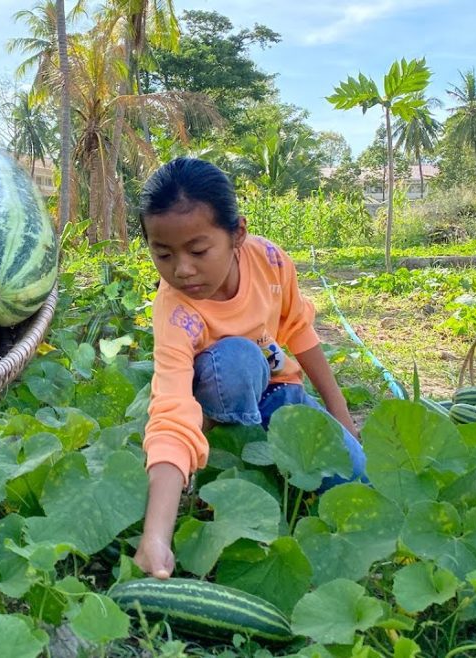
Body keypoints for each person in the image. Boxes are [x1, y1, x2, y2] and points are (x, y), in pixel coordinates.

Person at [132, 157, 367, 579]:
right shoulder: (173, 308)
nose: (182, 270)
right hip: (219, 395)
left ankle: (275, 466)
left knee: (360, 483)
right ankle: (233, 463)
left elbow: (300, 332)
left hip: (281, 395)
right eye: (163, 254)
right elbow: (170, 412)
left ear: (237, 233)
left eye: (198, 251)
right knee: (238, 358)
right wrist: (154, 537)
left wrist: (341, 415)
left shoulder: (272, 262)